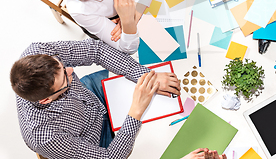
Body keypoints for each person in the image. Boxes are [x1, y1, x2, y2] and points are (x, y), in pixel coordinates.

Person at [10, 38, 181, 158]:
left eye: (61, 65)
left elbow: (96, 50)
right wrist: (136, 111)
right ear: (45, 100)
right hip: (97, 136)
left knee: (159, 91)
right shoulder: (45, 138)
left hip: (90, 92)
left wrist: (144, 75)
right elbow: (109, 157)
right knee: (163, 134)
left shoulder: (37, 53)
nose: (71, 70)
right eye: (64, 78)